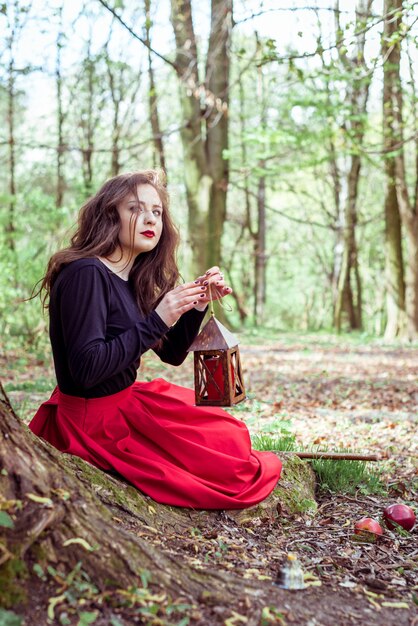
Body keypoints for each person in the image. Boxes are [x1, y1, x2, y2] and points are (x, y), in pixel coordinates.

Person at [29, 170, 282, 509]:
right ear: (110, 215)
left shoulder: (132, 276)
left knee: (226, 432)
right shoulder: (86, 273)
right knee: (227, 469)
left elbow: (173, 353)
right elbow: (84, 370)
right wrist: (158, 318)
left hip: (125, 402)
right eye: (135, 208)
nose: (150, 218)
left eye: (157, 211)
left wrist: (196, 304)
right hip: (94, 424)